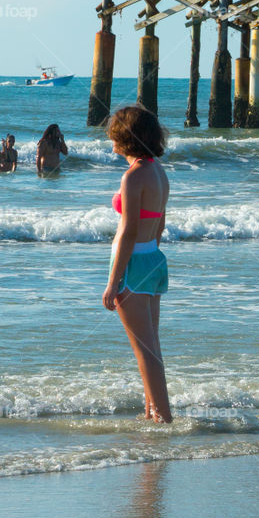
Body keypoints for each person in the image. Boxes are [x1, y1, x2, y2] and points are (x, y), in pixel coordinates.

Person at [102, 106, 172, 424]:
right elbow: (159, 225)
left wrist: (113, 282)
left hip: (133, 265)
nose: (110, 140)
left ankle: (164, 419)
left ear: (125, 137)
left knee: (145, 351)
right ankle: (151, 415)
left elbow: (129, 231)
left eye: (114, 134)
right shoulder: (158, 171)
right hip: (153, 259)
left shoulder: (132, 176)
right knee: (152, 346)